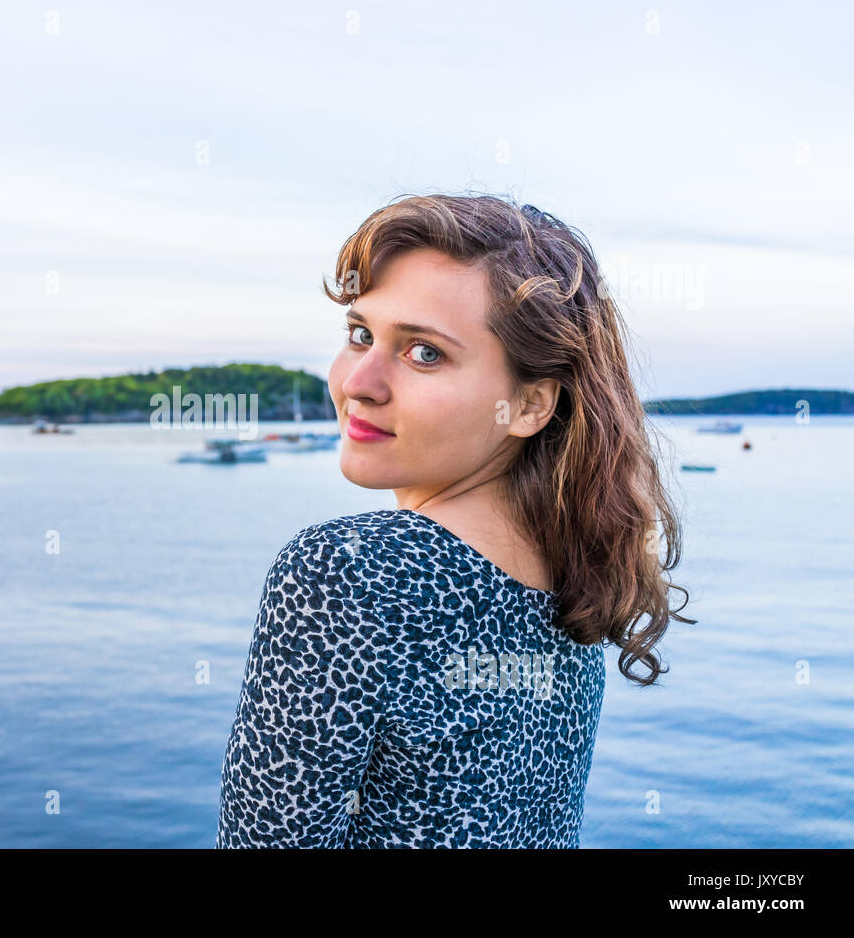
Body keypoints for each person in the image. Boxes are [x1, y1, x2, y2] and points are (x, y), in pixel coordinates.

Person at [216, 194, 691, 848]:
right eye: (361, 335)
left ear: (530, 405)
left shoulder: (344, 575)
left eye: (425, 354)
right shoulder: (576, 568)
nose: (360, 382)